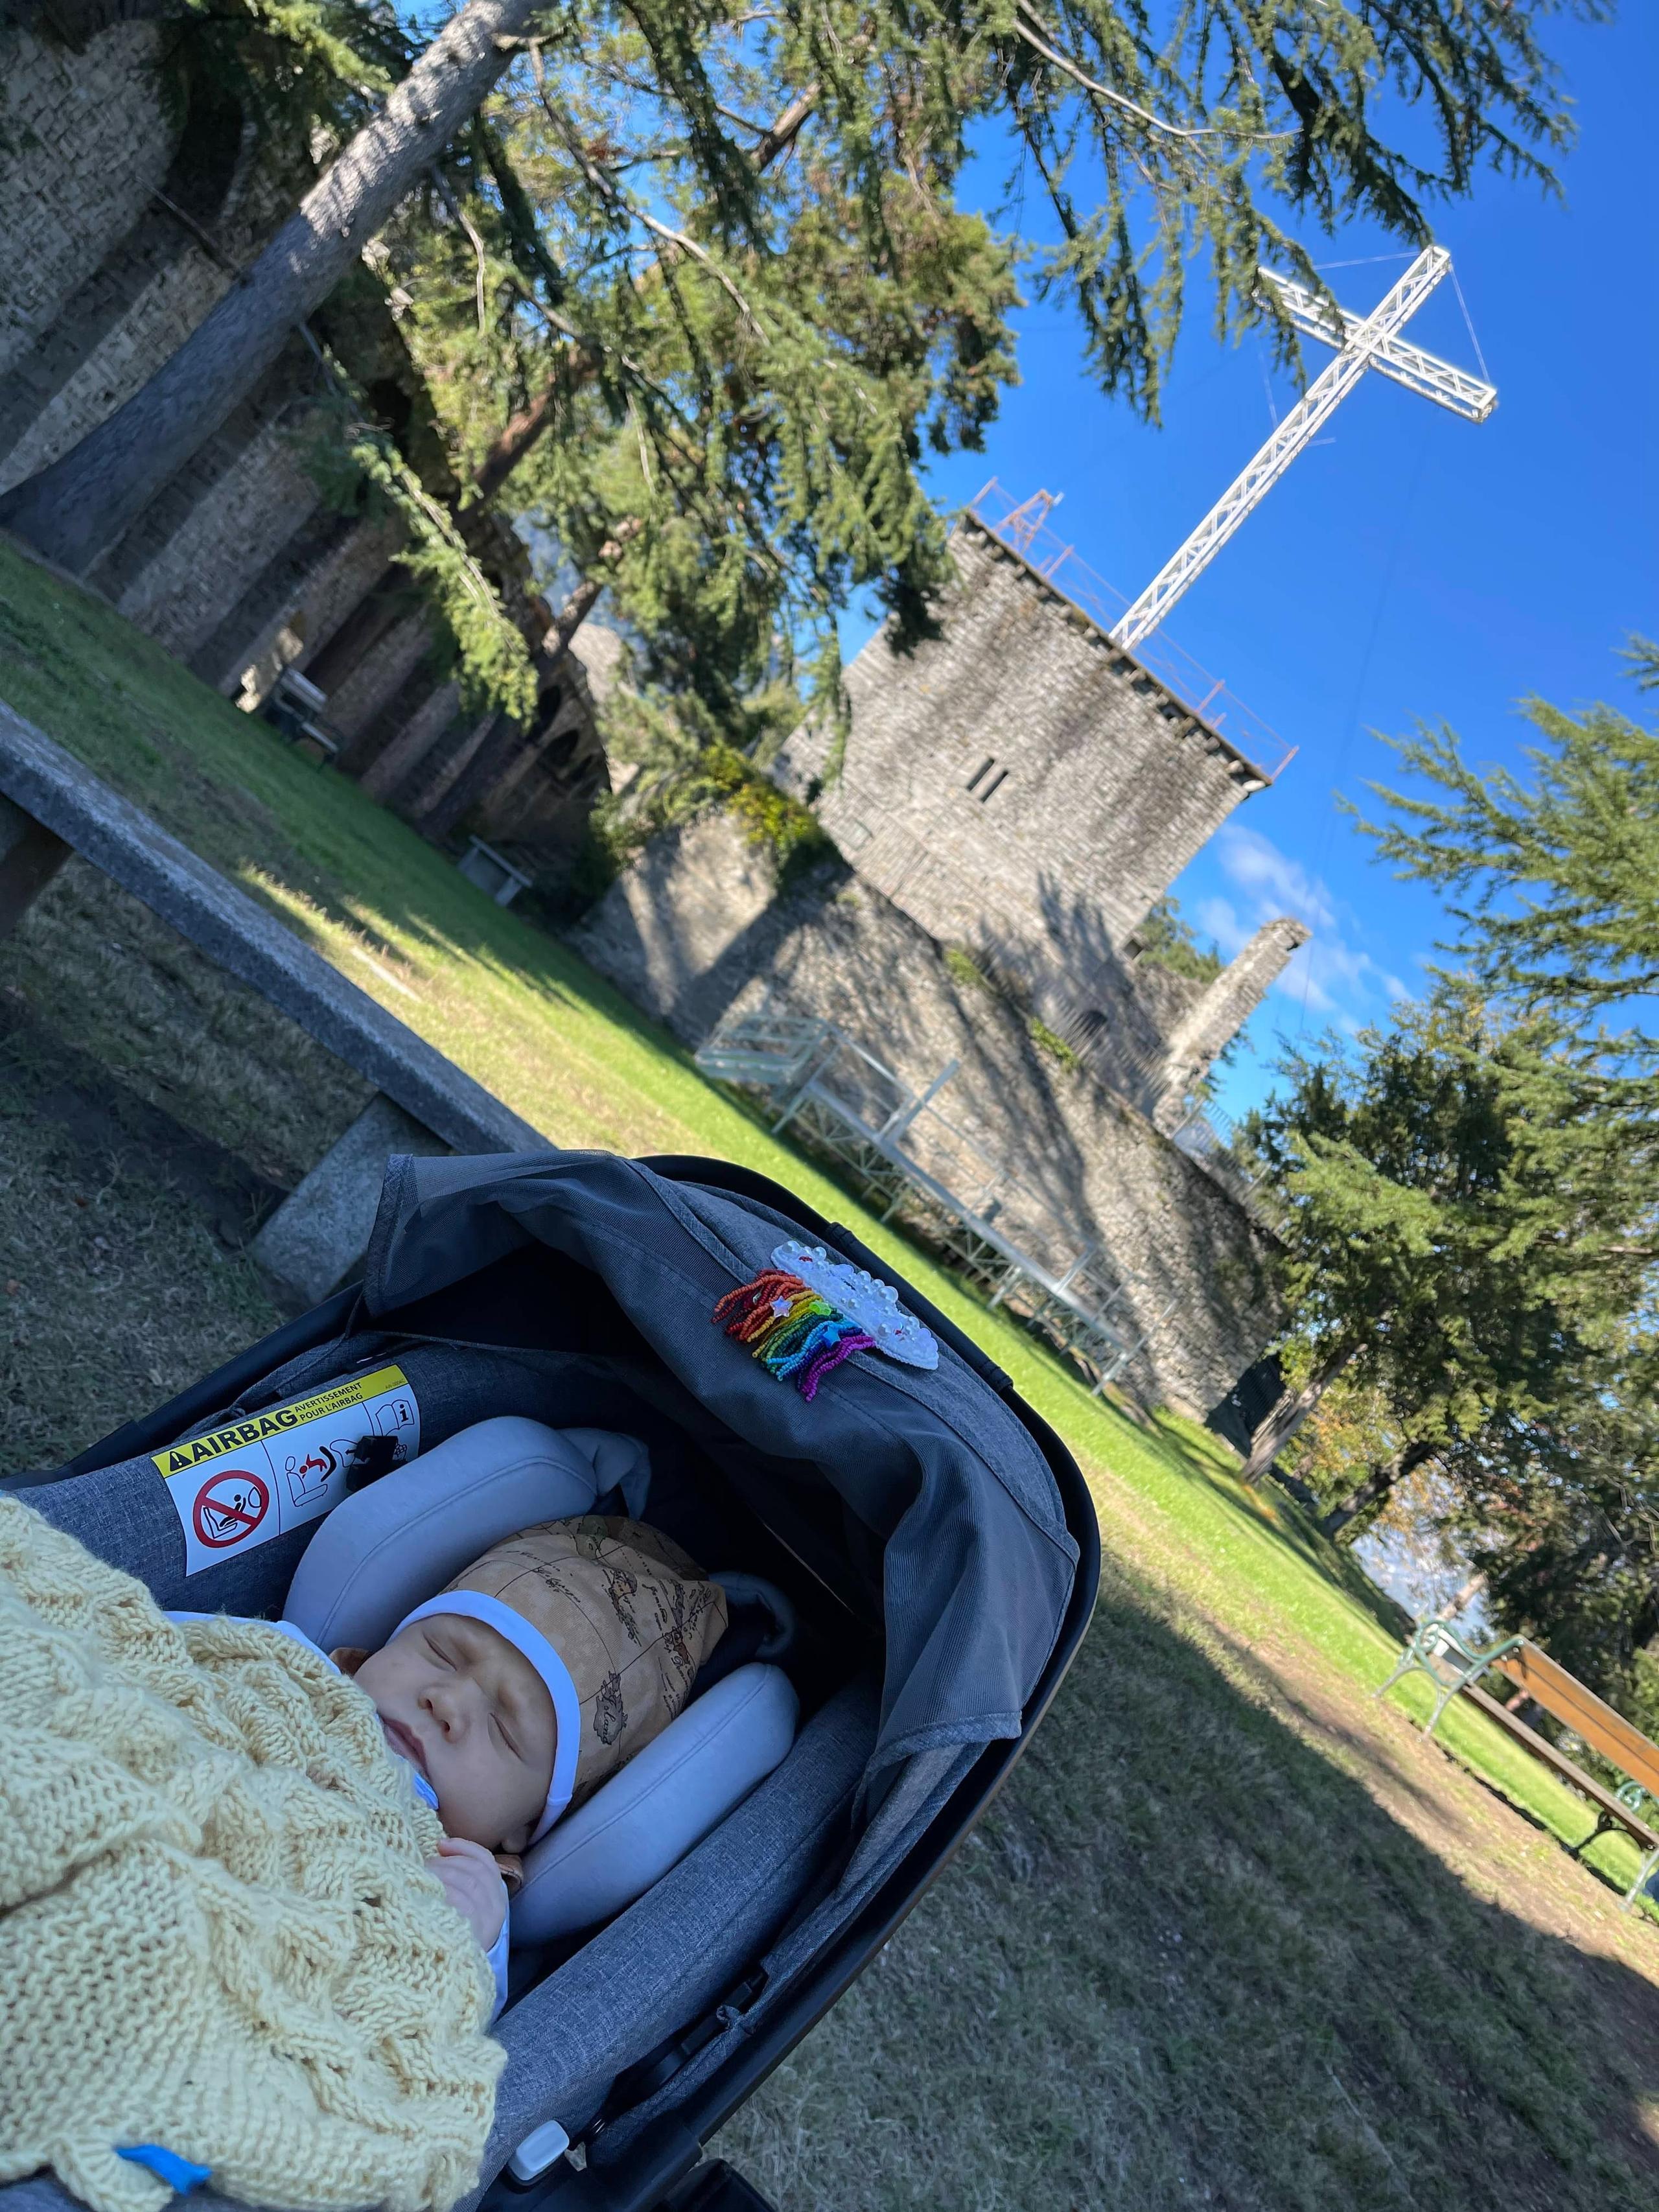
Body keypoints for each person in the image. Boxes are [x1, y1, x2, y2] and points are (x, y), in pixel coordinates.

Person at [180, 1516, 728, 2015]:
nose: (446, 1700)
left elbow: (441, 2026)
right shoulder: (281, 1664)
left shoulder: (460, 1885)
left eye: (503, 1728)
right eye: (440, 1653)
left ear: (522, 1827)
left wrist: (474, 1945)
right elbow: (139, 1647)